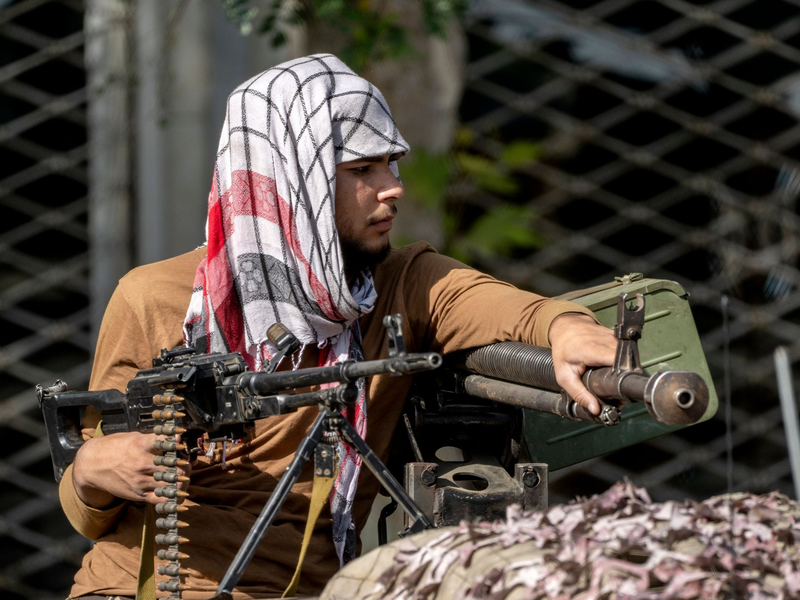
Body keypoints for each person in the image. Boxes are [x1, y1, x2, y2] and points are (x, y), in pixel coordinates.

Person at [59, 54, 616, 599]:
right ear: (292, 180)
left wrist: (566, 327)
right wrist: (93, 470)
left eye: (390, 164)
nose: (392, 187)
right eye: (361, 170)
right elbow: (89, 504)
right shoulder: (153, 298)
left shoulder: (402, 285)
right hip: (140, 583)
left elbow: (507, 307)